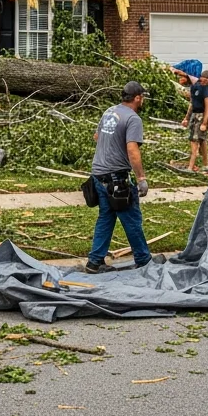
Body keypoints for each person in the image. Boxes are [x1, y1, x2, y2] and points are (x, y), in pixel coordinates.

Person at [84, 82, 153, 273]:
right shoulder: (133, 118)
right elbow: (132, 150)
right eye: (143, 97)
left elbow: (97, 137)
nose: (143, 100)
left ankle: (95, 262)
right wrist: (141, 178)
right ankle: (144, 261)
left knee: (106, 217)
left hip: (98, 175)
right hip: (116, 179)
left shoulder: (110, 111)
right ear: (138, 97)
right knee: (131, 218)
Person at [180, 70, 208, 175]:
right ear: (202, 77)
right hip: (194, 115)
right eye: (206, 80)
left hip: (201, 116)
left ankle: (190, 167)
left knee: (195, 141)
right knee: (201, 140)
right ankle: (206, 165)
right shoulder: (194, 87)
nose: (206, 83)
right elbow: (192, 103)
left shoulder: (206, 90)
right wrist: (186, 118)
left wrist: (205, 123)